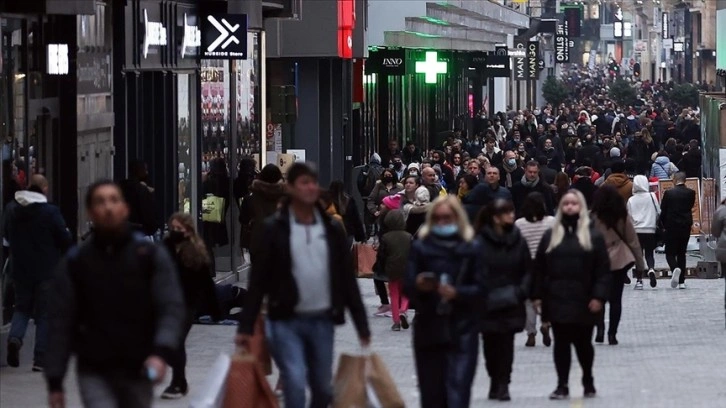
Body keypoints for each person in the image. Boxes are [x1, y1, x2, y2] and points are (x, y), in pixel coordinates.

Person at [235, 163, 371, 408]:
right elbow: (259, 280)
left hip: (322, 319)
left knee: (321, 387)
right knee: (295, 381)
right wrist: (246, 325)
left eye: (312, 182)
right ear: (291, 189)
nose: (310, 188)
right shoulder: (274, 229)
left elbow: (346, 278)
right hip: (285, 319)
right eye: (303, 183)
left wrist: (361, 323)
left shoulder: (331, 228)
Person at [45, 180, 185, 408]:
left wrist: (161, 352)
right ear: (91, 212)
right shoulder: (77, 263)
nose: (108, 207)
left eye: (114, 200)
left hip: (139, 366)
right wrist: (55, 381)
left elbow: (170, 306)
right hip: (94, 367)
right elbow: (60, 321)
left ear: (125, 208)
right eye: (100, 202)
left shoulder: (148, 256)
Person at [404, 196, 484, 408]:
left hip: (462, 328)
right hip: (429, 328)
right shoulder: (421, 247)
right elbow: (408, 285)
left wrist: (457, 293)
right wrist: (420, 285)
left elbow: (483, 287)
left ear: (457, 218)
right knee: (432, 394)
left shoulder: (472, 248)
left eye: (447, 217)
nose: (442, 222)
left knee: (458, 391)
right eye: (437, 218)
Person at [533, 190, 610, 400]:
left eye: (574, 203)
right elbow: (539, 268)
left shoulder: (592, 235)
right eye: (566, 203)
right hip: (557, 299)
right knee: (561, 344)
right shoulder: (551, 236)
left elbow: (602, 270)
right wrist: (537, 296)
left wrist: (598, 297)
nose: (569, 207)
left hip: (584, 300)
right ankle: (562, 384)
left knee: (584, 344)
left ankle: (587, 378)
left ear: (581, 207)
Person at [3, 175, 72, 370]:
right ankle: (40, 359)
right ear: (43, 189)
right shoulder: (50, 212)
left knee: (22, 308)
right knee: (44, 314)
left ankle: (15, 338)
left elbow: (6, 236)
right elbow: (64, 239)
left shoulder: (12, 210)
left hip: (20, 270)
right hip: (46, 270)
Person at [474, 199, 532, 401]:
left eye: (511, 212)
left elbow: (527, 269)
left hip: (511, 301)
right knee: (490, 344)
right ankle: (494, 379)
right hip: (487, 302)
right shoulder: (479, 242)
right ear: (495, 218)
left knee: (506, 344)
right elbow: (472, 271)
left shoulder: (518, 239)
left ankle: (504, 383)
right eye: (506, 213)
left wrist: (521, 291)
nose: (511, 216)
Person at [161, 213, 220, 399]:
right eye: (173, 228)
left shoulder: (196, 252)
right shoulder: (164, 248)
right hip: (166, 305)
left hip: (187, 305)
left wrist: (215, 310)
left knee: (176, 342)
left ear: (188, 231)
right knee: (166, 345)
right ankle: (180, 381)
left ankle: (178, 382)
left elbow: (207, 284)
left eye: (180, 229)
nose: (175, 232)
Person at [591, 186, 644, 345]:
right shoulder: (622, 217)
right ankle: (612, 333)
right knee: (616, 300)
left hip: (598, 260)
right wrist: (640, 265)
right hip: (619, 259)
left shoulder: (592, 217)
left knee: (598, 297)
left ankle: (600, 328)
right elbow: (633, 241)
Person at [514, 192, 555, 348]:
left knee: (528, 301)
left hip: (527, 265)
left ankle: (531, 332)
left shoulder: (519, 224)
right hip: (547, 264)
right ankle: (546, 322)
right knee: (547, 297)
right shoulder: (551, 222)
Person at [239, 164, 287, 259]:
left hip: (258, 243)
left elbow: (243, 219)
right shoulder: (288, 199)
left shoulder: (250, 199)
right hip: (282, 243)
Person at [376, 210, 412, 331]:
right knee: (406, 292)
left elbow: (382, 255)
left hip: (392, 269)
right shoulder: (408, 236)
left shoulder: (386, 237)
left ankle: (396, 322)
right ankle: (403, 310)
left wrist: (381, 268)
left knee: (394, 294)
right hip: (407, 267)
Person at [660, 172, 696, 289]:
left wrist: (662, 225)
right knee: (682, 253)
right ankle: (682, 282)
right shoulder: (691, 193)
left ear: (675, 180)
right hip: (685, 226)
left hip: (671, 226)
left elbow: (663, 210)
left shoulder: (669, 193)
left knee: (669, 253)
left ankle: (675, 268)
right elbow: (689, 207)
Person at [627, 175, 660, 289]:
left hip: (636, 230)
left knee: (638, 255)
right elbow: (658, 211)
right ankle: (651, 269)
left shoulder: (631, 200)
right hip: (650, 229)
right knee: (650, 253)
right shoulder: (651, 196)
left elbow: (629, 216)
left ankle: (639, 280)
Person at [201, 158, 230, 276]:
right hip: (218, 214)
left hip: (209, 213)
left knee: (206, 242)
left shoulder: (211, 181)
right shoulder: (226, 180)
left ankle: (210, 270)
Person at [119, 160, 157, 237]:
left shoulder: (119, 187)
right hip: (139, 230)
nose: (147, 173)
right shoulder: (142, 190)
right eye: (145, 170)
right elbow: (148, 213)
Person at [328, 180, 366, 246]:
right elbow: (356, 219)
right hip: (347, 232)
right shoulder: (349, 200)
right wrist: (361, 236)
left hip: (330, 233)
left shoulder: (326, 201)